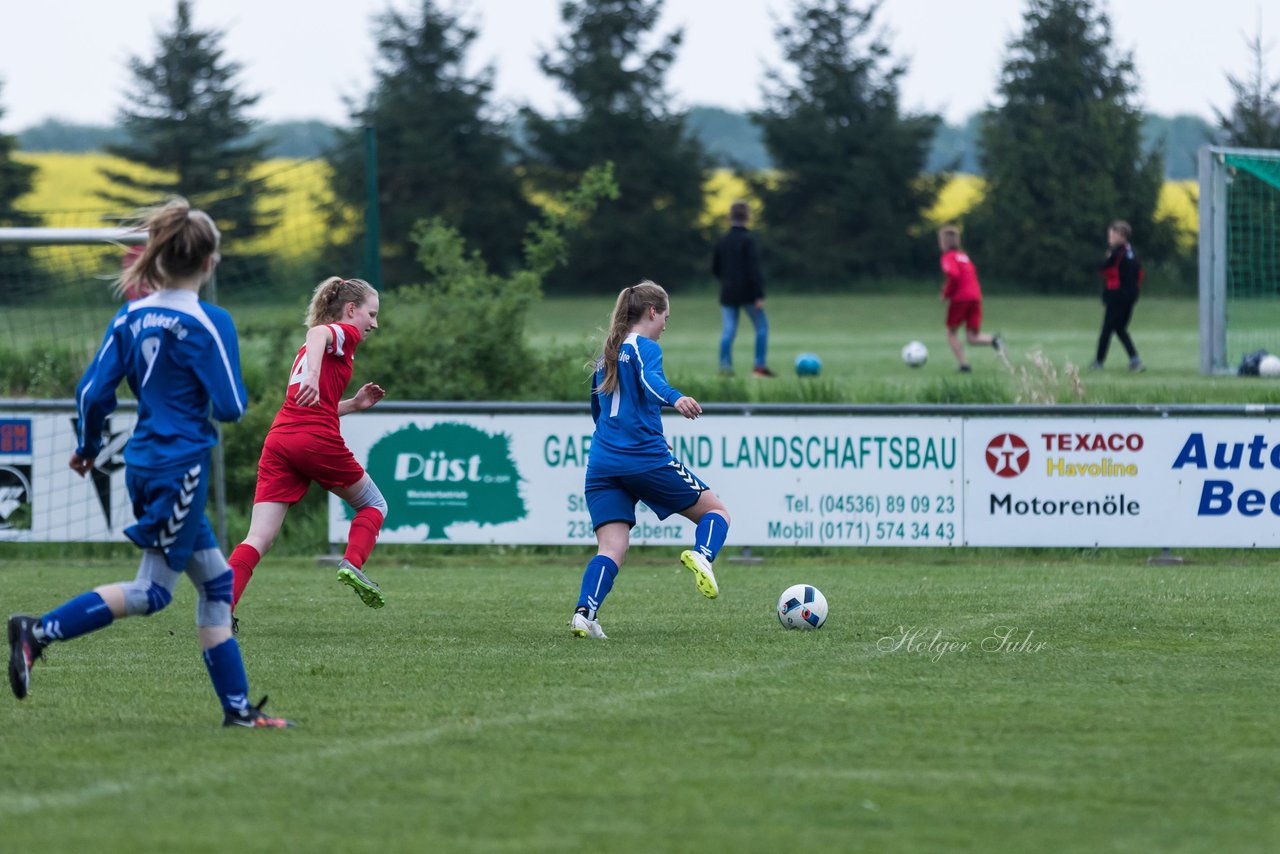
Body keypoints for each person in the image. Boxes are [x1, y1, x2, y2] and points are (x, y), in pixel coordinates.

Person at [7, 197, 294, 728]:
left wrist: (89, 448)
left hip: (143, 460)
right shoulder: (210, 322)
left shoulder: (130, 315)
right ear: (209, 262)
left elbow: (93, 392)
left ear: (159, 258)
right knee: (154, 591)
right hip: (178, 465)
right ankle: (37, 632)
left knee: (215, 585)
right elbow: (231, 406)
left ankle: (237, 711)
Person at [570, 281, 730, 640]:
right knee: (716, 513)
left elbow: (597, 409)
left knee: (611, 548)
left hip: (602, 464)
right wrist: (675, 398)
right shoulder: (642, 347)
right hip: (643, 458)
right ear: (652, 312)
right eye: (665, 320)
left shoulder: (606, 354)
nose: (663, 328)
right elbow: (649, 379)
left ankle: (584, 614)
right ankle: (703, 555)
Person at [228, 277, 387, 617]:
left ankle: (220, 608)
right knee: (374, 504)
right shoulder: (344, 332)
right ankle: (352, 563)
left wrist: (352, 405)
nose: (374, 323)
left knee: (258, 537)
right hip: (314, 438)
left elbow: (312, 400)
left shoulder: (325, 348)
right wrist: (314, 375)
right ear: (350, 310)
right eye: (371, 314)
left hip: (281, 439)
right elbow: (317, 333)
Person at [712, 200, 774, 377]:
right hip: (748, 294)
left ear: (729, 216)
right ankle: (759, 367)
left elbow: (715, 268)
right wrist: (759, 295)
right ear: (747, 217)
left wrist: (726, 281)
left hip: (728, 293)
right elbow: (753, 270)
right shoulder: (748, 240)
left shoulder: (722, 241)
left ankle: (725, 367)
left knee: (728, 331)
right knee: (762, 327)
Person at [938, 225, 1004, 372]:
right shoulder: (964, 256)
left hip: (960, 299)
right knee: (972, 337)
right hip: (975, 297)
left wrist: (946, 294)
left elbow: (954, 275)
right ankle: (994, 340)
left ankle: (964, 365)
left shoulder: (948, 257)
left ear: (945, 242)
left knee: (951, 332)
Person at [1091, 220, 1145, 372]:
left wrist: (1107, 258)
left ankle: (1098, 362)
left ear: (1122, 236)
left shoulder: (1118, 253)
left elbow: (1104, 270)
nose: (1110, 237)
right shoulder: (1131, 252)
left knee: (1107, 329)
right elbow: (1140, 274)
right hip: (1129, 297)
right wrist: (1134, 292)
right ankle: (1135, 360)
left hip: (1117, 296)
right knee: (1120, 328)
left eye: (1113, 234)